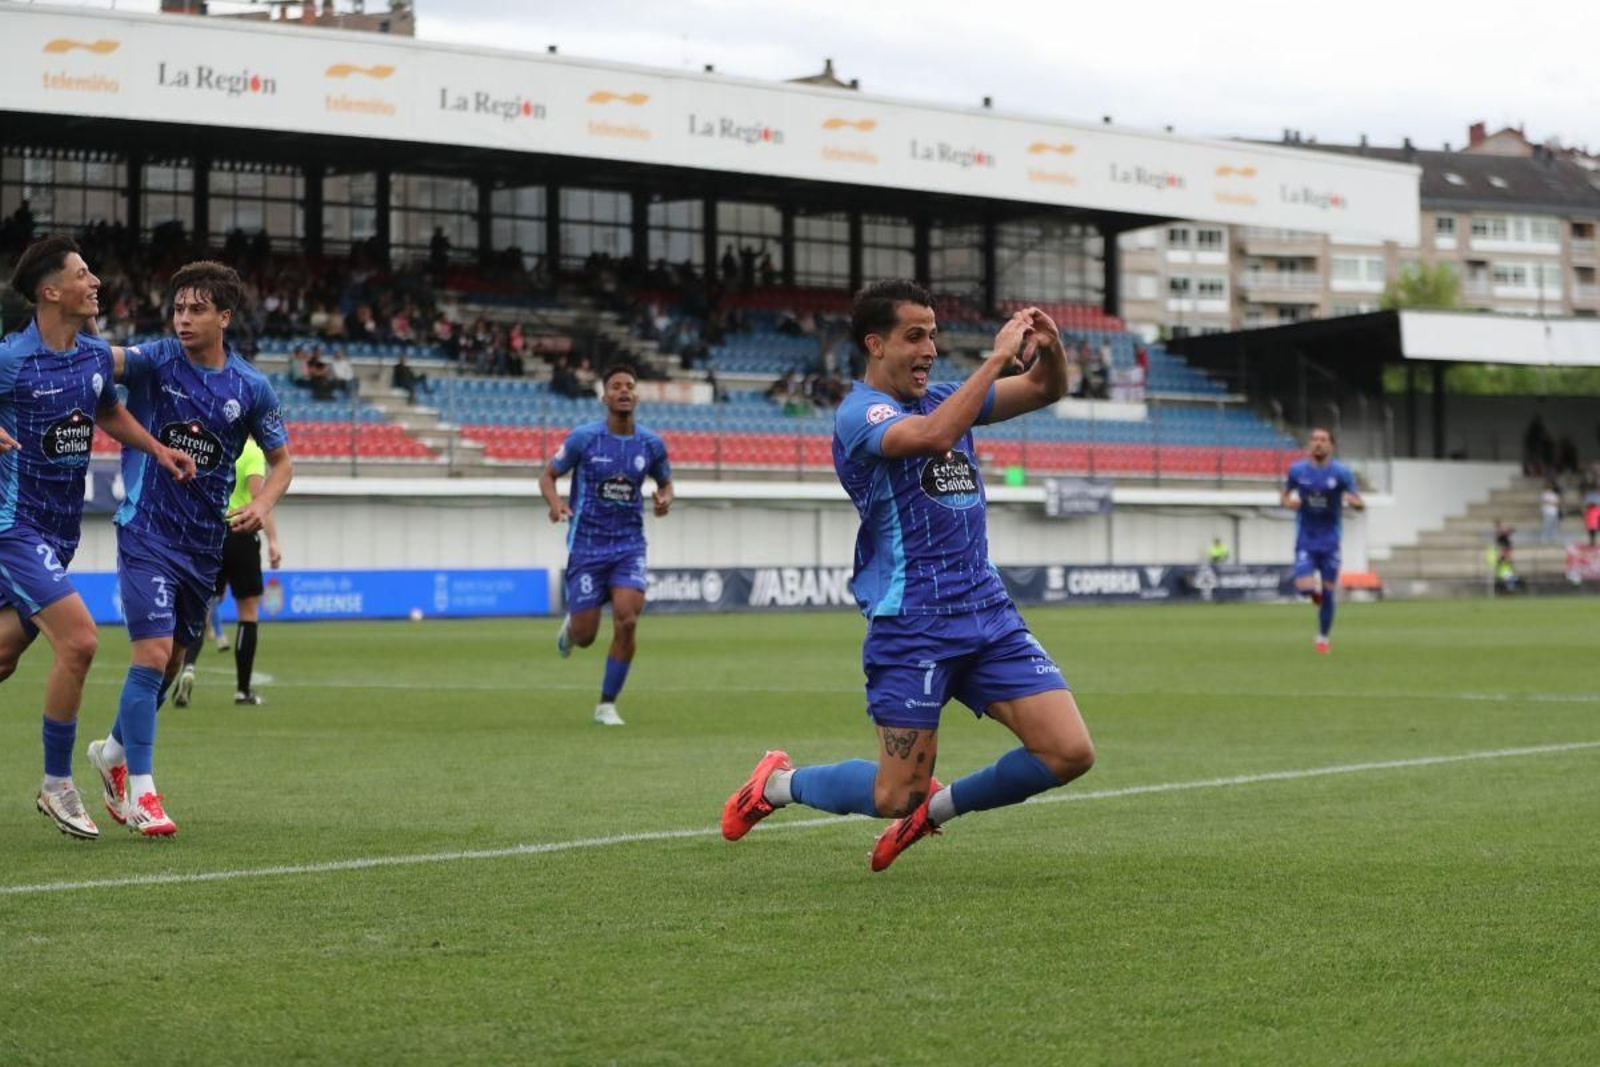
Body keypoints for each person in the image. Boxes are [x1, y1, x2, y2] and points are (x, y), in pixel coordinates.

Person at [721, 281, 1094, 872]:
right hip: (914, 622)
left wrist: (1049, 348)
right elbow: (933, 436)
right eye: (915, 336)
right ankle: (775, 785)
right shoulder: (859, 414)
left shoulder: (947, 398)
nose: (930, 350)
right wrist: (996, 357)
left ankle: (931, 815)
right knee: (895, 794)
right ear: (876, 344)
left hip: (988, 614)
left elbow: (1046, 388)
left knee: (1069, 752)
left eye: (934, 335)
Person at [86, 260, 293, 837]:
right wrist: (82, 325)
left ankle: (111, 753)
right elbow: (104, 360)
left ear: (224, 317)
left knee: (174, 661)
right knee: (152, 657)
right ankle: (143, 793)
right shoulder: (157, 359)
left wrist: (263, 504)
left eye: (197, 309)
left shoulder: (251, 387)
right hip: (146, 531)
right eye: (178, 307)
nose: (183, 318)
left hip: (204, 545)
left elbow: (282, 463)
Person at [0, 235, 195, 840]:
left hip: (57, 534)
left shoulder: (90, 356)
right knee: (81, 642)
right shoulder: (11, 358)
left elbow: (106, 411)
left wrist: (156, 448)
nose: (96, 282)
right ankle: (57, 784)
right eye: (82, 274)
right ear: (50, 291)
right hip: (12, 526)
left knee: (5, 655)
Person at [539, 364, 672, 726]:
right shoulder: (584, 439)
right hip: (587, 546)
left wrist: (664, 499)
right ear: (605, 397)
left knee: (627, 620)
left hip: (629, 546)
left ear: (637, 396)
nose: (624, 391)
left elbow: (665, 483)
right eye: (616, 386)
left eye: (629, 385)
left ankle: (606, 705)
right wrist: (555, 503)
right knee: (586, 636)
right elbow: (548, 476)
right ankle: (572, 628)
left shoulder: (651, 444)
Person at [172, 434, 283, 708]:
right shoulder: (252, 452)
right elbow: (259, 500)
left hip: (211, 534)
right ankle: (243, 691)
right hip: (242, 534)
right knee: (248, 612)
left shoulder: (216, 444)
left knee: (199, 611)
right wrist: (273, 541)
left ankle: (188, 668)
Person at [1281, 428, 1365, 654]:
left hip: (1330, 541)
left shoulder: (1341, 473)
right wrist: (1289, 503)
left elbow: (1359, 502)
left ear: (1331, 445)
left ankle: (1322, 638)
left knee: (1329, 592)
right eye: (1315, 439)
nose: (1318, 443)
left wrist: (1354, 502)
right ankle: (1313, 595)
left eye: (1323, 440)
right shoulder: (1297, 471)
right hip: (1306, 538)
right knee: (1304, 588)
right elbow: (1284, 496)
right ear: (1310, 444)